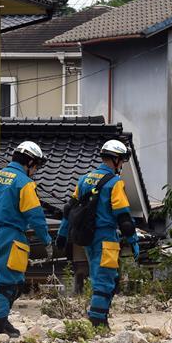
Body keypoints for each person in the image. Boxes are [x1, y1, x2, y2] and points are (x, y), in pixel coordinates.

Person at [56, 140, 139, 329]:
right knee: (105, 278)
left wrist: (61, 234)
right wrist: (133, 241)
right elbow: (124, 218)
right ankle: (97, 322)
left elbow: (69, 210)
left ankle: (99, 318)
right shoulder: (115, 183)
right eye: (122, 161)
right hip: (105, 237)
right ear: (116, 159)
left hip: (86, 238)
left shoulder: (84, 180)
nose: (122, 165)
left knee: (99, 276)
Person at [0, 141, 52, 337]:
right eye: (36, 165)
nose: (35, 170)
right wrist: (46, 240)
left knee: (13, 281)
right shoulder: (25, 183)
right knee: (10, 284)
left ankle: (2, 320)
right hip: (11, 236)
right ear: (29, 162)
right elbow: (35, 216)